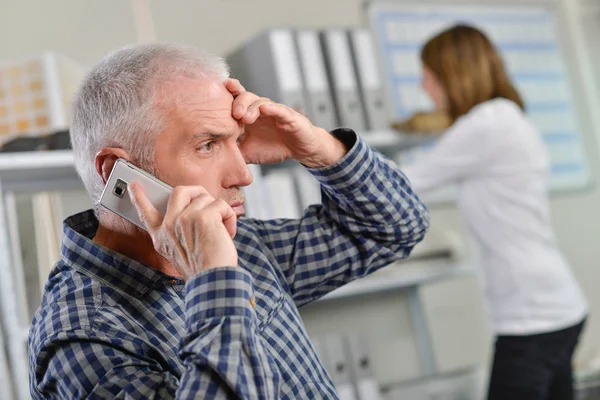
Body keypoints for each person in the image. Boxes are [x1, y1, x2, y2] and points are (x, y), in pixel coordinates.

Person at [27, 43, 429, 399]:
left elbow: (394, 228)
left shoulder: (242, 245)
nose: (243, 175)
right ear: (118, 171)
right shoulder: (82, 337)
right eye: (207, 145)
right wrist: (215, 279)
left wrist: (320, 148)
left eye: (236, 140)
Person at [401, 25, 588, 400]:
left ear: (454, 75)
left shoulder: (484, 125)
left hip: (531, 315)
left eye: (429, 76)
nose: (425, 87)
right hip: (558, 306)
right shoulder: (508, 117)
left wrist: (324, 150)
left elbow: (402, 182)